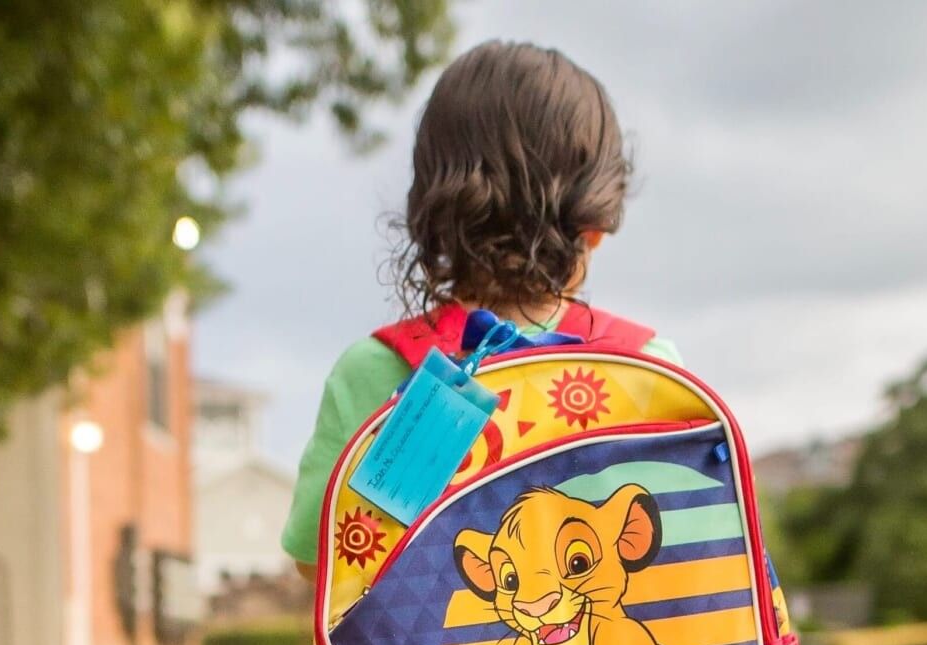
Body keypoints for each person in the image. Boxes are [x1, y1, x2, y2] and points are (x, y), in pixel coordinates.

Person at [281, 40, 682, 578]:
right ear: (596, 225)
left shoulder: (375, 371)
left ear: (431, 205)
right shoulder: (652, 368)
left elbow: (323, 568)